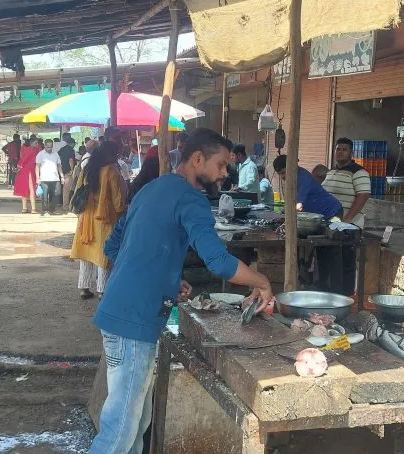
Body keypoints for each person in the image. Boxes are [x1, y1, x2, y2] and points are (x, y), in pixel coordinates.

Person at [90, 128, 273, 453]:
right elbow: (217, 261)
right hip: (134, 322)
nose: (222, 174)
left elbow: (114, 245)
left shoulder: (151, 189)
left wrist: (162, 279)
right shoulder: (191, 199)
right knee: (118, 433)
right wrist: (261, 281)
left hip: (121, 313)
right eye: (219, 165)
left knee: (135, 425)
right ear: (197, 158)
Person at [71, 140, 128, 299]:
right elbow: (118, 201)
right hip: (105, 218)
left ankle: (84, 287)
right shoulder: (111, 171)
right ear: (111, 154)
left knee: (87, 253)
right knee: (103, 254)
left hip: (86, 217)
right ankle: (102, 290)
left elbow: (77, 192)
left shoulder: (88, 168)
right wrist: (123, 211)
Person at [272, 155, 342, 219]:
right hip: (319, 214)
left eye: (284, 172)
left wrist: (286, 214)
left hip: (333, 212)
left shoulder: (303, 178)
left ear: (293, 167)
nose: (282, 177)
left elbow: (298, 207)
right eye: (279, 174)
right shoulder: (293, 179)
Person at [322, 137, 371, 227]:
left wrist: (347, 219)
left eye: (344, 150)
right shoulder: (331, 171)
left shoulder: (359, 172)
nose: (340, 152)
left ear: (351, 153)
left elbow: (363, 196)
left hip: (349, 225)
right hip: (331, 222)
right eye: (338, 149)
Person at [36, 138, 64, 215]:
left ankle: (52, 209)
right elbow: (37, 166)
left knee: (56, 194)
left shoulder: (56, 154)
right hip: (44, 178)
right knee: (45, 196)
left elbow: (59, 166)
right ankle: (45, 210)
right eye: (48, 147)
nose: (49, 148)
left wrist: (62, 176)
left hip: (55, 178)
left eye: (51, 147)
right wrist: (37, 177)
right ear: (44, 146)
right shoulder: (40, 154)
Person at [12, 136, 39, 213]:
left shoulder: (25, 148)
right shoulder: (33, 149)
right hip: (29, 171)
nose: (37, 144)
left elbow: (22, 158)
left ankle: (24, 208)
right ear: (31, 143)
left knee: (24, 189)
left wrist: (18, 167)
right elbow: (24, 159)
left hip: (24, 171)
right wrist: (19, 167)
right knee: (32, 189)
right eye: (36, 143)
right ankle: (33, 208)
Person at [58, 134, 78, 210]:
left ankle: (67, 204)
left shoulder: (62, 149)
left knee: (65, 188)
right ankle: (66, 205)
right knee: (67, 189)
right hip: (68, 172)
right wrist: (72, 170)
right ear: (72, 144)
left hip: (62, 170)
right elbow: (71, 160)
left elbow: (58, 159)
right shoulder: (71, 150)